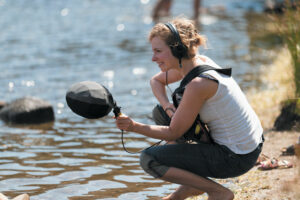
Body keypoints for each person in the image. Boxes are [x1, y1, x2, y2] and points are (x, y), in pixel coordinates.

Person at [116, 17, 264, 200]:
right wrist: (168, 107)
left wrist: (133, 126)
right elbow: (156, 81)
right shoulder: (197, 62)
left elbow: (172, 132)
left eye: (158, 51)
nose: (153, 58)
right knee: (161, 113)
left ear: (178, 49)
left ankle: (218, 192)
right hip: (250, 147)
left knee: (149, 159)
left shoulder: (199, 84)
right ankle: (189, 186)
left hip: (235, 158)